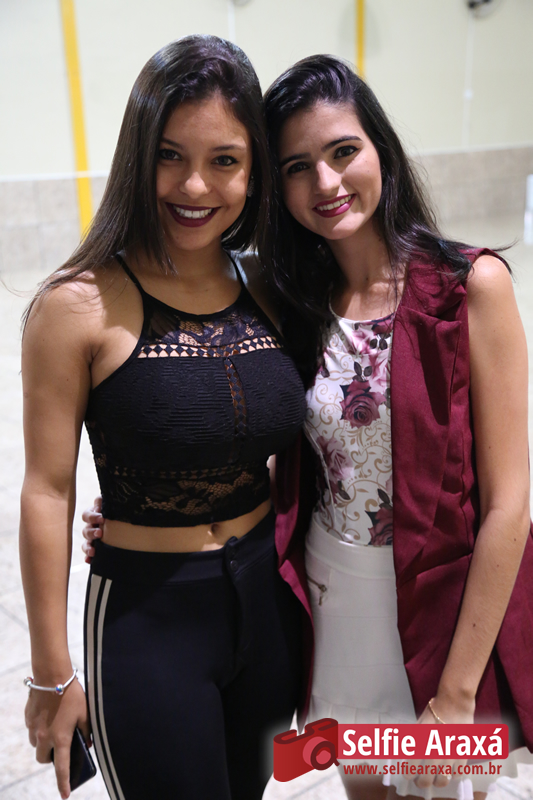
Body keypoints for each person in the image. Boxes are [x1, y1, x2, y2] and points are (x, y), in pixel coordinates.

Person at [19, 36, 307, 800]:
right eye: (169, 155)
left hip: (266, 602)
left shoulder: (271, 289)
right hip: (147, 618)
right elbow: (46, 490)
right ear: (136, 156)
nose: (194, 185)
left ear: (253, 170)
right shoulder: (76, 305)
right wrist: (51, 674)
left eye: (224, 160)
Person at [262, 55, 533, 800]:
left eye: (342, 150)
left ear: (379, 148)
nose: (325, 182)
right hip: (335, 599)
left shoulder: (470, 288)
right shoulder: (295, 301)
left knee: (436, 790)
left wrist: (457, 694)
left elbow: (510, 506)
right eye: (297, 167)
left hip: (441, 608)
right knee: (366, 787)